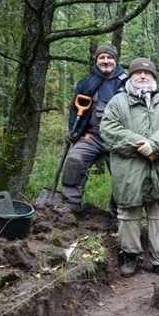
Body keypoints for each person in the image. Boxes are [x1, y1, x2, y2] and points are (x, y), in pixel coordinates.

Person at [100, 58, 159, 277]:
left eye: (147, 74)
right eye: (137, 73)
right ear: (130, 76)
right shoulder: (118, 101)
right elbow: (109, 130)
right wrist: (141, 145)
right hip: (129, 169)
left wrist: (155, 145)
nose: (142, 76)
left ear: (154, 77)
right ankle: (130, 257)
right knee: (128, 215)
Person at [57, 45, 128, 214]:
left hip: (119, 139)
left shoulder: (127, 83)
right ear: (96, 61)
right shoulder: (86, 83)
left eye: (109, 58)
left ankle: (117, 211)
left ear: (116, 60)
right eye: (101, 58)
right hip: (91, 136)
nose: (106, 61)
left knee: (124, 174)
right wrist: (73, 130)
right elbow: (75, 107)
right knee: (75, 160)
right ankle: (70, 205)